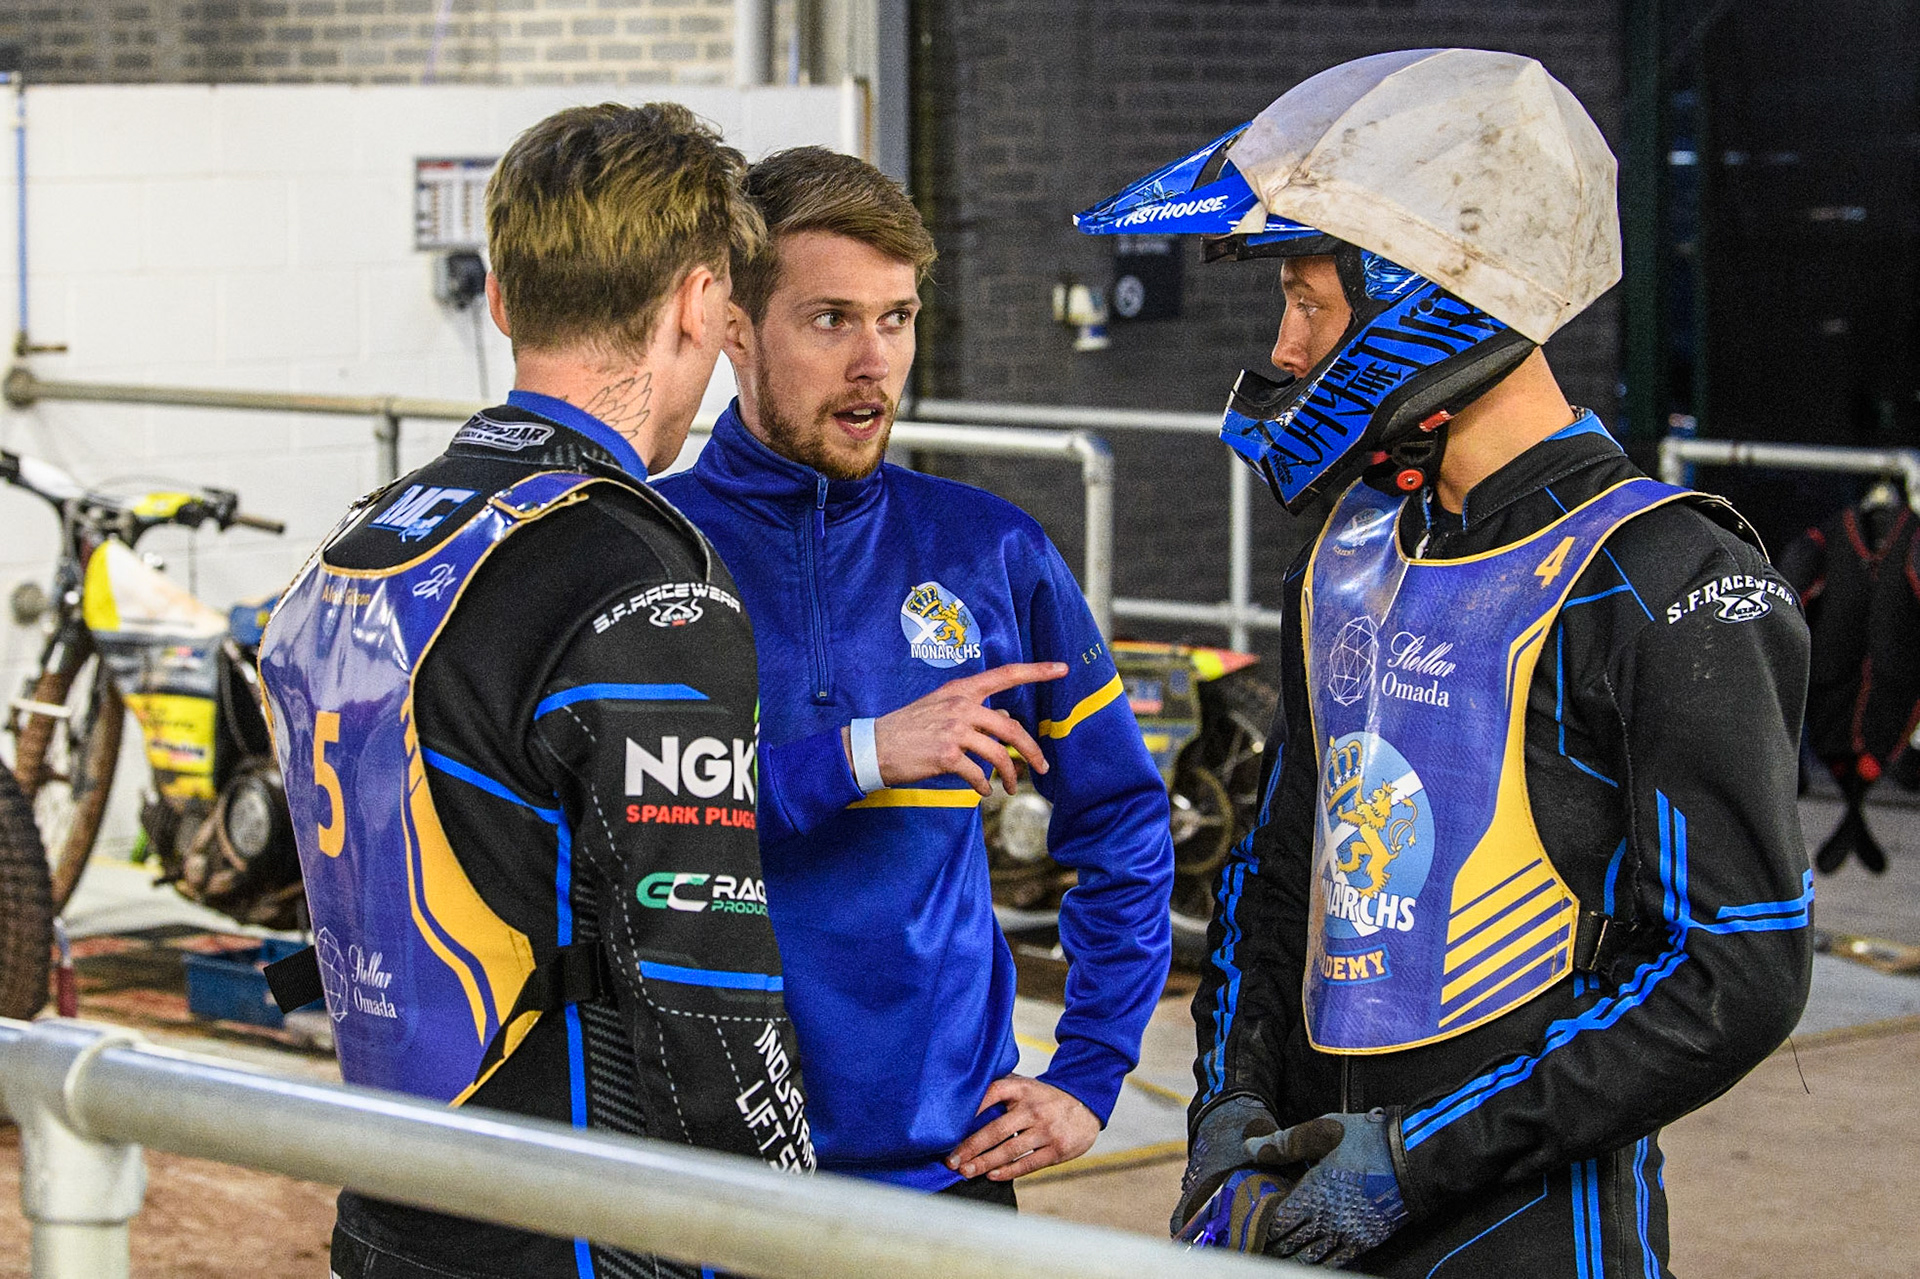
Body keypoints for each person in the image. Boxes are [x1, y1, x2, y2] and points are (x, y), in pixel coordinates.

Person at [1077, 49, 1812, 1273]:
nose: (1287, 347)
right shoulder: (1354, 549)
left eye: (1311, 302)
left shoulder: (1664, 579)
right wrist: (1224, 1109)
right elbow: (1278, 869)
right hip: (1315, 1204)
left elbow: (1732, 973)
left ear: (1434, 295)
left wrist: (1419, 1159)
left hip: (1529, 1230)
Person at [257, 103, 812, 1279]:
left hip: (389, 1201)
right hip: (571, 1230)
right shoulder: (638, 574)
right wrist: (788, 1225)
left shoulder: (370, 537)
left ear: (503, 299)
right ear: (695, 303)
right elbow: (705, 976)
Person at [655, 147, 1174, 1205]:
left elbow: (1122, 818)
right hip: (703, 1176)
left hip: (947, 1175)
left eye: (896, 318)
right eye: (831, 318)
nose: (874, 362)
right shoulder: (652, 553)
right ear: (734, 330)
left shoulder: (990, 551)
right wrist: (854, 756)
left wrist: (1090, 1069)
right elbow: (611, 835)